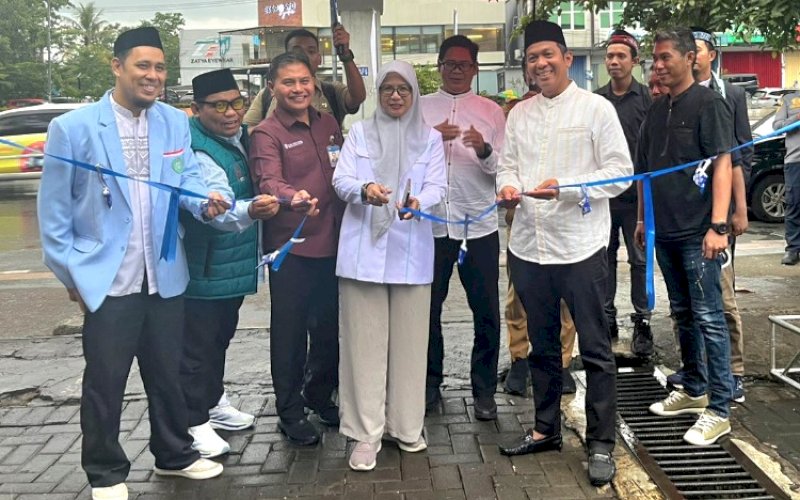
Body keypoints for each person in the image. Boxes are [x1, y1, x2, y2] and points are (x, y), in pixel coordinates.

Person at [37, 27, 227, 500]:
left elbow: (184, 184)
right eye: (143, 65)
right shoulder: (74, 128)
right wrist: (71, 275)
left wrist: (208, 202)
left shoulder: (173, 123)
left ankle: (174, 455)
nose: (153, 76)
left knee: (166, 372)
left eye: (160, 67)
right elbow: (54, 214)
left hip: (163, 273)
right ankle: (105, 471)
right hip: (107, 279)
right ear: (117, 66)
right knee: (106, 380)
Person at [496, 20, 632, 487]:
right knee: (542, 345)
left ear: (567, 58)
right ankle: (545, 428)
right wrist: (508, 186)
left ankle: (600, 443)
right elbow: (506, 164)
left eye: (548, 55)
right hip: (530, 247)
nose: (540, 64)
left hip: (580, 246)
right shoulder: (519, 114)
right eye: (532, 58)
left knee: (594, 350)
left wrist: (569, 189)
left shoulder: (596, 110)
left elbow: (621, 173)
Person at [333, 60, 447, 471]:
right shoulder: (359, 133)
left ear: (415, 94)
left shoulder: (430, 138)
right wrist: (365, 190)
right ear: (378, 94)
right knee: (363, 346)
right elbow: (341, 181)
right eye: (387, 89)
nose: (395, 95)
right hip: (362, 252)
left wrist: (421, 202)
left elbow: (437, 184)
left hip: (410, 250)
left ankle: (406, 425)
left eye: (404, 89)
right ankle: (365, 434)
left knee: (410, 345)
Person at [635, 28, 734, 446]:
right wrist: (643, 221)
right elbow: (644, 172)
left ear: (691, 57)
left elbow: (723, 164)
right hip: (665, 231)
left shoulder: (710, 104)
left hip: (699, 232)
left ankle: (721, 407)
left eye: (664, 57)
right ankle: (694, 389)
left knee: (710, 316)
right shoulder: (657, 110)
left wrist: (718, 226)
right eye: (653, 58)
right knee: (682, 313)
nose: (657, 65)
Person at [179, 68, 280, 459]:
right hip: (205, 266)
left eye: (236, 102)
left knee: (220, 337)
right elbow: (215, 203)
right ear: (196, 109)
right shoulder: (197, 149)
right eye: (218, 106)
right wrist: (252, 209)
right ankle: (193, 421)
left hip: (233, 266)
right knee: (197, 347)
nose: (230, 112)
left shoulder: (241, 137)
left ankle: (213, 401)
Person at [249, 52, 344, 446]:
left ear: (314, 84)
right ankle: (289, 411)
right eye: (289, 82)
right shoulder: (266, 133)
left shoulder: (329, 124)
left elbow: (348, 170)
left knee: (328, 329)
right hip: (293, 249)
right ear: (272, 87)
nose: (298, 89)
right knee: (289, 335)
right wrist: (293, 197)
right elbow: (267, 180)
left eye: (305, 81)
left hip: (336, 244)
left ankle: (319, 396)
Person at [420, 35, 506, 420]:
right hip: (432, 225)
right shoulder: (419, 109)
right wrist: (430, 141)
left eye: (464, 65)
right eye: (449, 64)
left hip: (479, 224)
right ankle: (428, 382)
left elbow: (503, 171)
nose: (456, 71)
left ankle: (484, 390)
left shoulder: (491, 111)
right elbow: (406, 161)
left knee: (485, 309)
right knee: (427, 308)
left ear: (475, 69)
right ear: (438, 66)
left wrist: (484, 149)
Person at [675, 27, 752, 403]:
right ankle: (698, 373)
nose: (695, 54)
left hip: (716, 216)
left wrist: (738, 209)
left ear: (708, 56)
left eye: (700, 49)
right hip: (685, 217)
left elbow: (737, 154)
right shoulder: (675, 98)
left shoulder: (728, 95)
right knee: (692, 303)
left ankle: (734, 372)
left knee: (722, 297)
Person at [503, 72, 577, 397]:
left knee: (563, 299)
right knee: (518, 296)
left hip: (563, 222)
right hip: (523, 220)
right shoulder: (517, 116)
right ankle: (519, 359)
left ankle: (562, 363)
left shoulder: (576, 114)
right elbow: (505, 165)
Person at [594, 29, 653, 358]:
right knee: (604, 262)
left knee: (639, 260)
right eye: (610, 57)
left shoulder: (648, 99)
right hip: (604, 197)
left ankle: (642, 323)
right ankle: (607, 320)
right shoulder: (596, 100)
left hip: (638, 199)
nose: (614, 62)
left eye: (621, 56)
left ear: (634, 61)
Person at [243, 26, 366, 129]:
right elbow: (246, 131)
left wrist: (345, 56)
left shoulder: (331, 91)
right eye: (297, 51)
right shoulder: (266, 95)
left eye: (311, 51)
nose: (304, 56)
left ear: (319, 59)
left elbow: (357, 97)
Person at [773, 88, 800, 265]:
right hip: (795, 161)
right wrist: (796, 118)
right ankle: (793, 249)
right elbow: (777, 127)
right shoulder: (789, 100)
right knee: (794, 204)